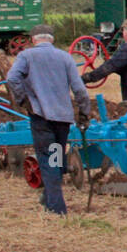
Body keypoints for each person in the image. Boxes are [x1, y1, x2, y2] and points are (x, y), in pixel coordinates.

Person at [5, 24, 92, 215]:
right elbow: (79, 89)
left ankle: (57, 208)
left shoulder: (26, 56)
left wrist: (23, 100)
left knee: (48, 161)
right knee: (56, 158)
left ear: (33, 39)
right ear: (52, 39)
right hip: (62, 118)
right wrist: (84, 113)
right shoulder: (65, 57)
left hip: (41, 116)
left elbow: (11, 78)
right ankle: (48, 199)